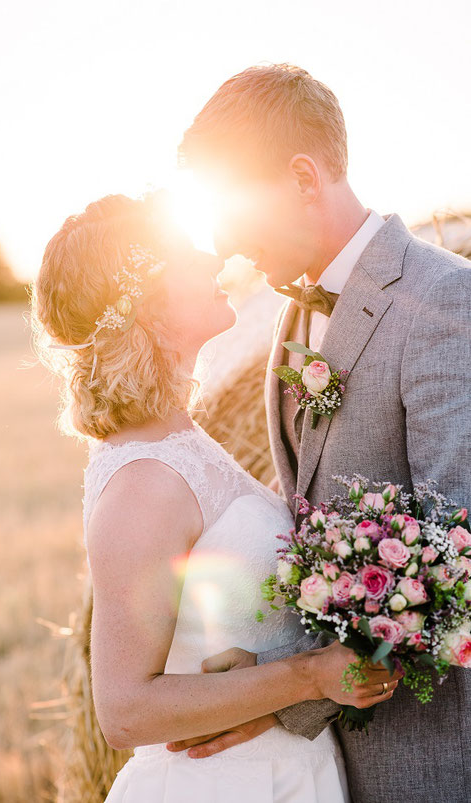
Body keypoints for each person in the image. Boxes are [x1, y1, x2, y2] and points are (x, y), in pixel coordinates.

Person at [32, 192, 401, 801]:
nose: (211, 256)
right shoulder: (143, 481)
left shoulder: (182, 440)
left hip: (283, 773)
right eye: (184, 253)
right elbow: (125, 710)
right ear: (143, 304)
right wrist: (309, 676)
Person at [171, 63, 471, 802]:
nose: (228, 246)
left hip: (429, 758)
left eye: (234, 213)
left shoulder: (444, 301)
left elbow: (457, 562)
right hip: (326, 767)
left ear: (303, 179)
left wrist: (286, 692)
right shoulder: (287, 318)